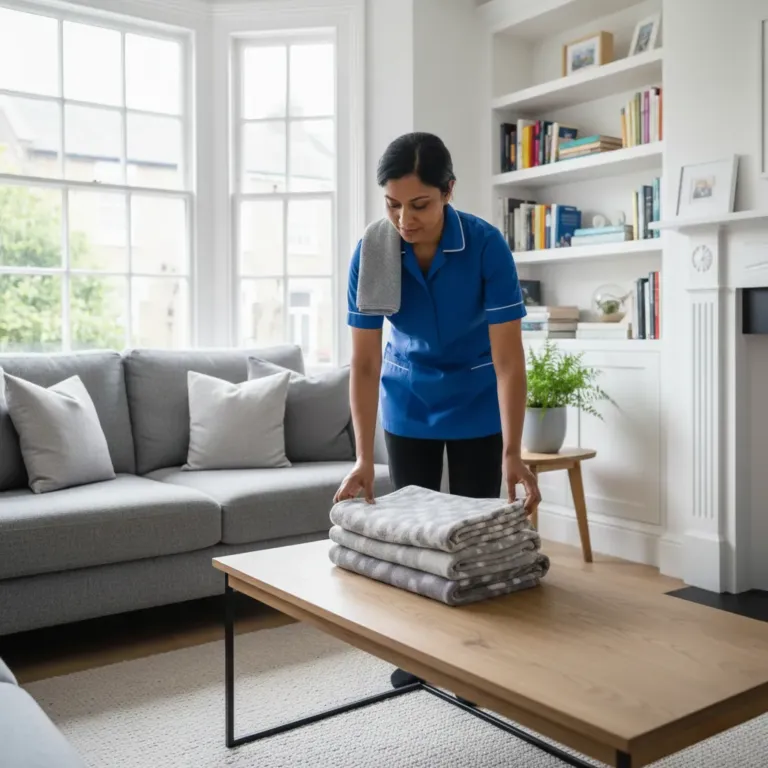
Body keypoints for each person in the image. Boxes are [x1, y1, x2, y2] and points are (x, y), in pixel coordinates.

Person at [333, 132, 541, 688]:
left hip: (476, 400)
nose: (404, 219)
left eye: (419, 204)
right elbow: (364, 364)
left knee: (470, 537)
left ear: (448, 192)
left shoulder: (485, 245)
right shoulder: (373, 250)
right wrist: (360, 457)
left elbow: (508, 361)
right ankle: (419, 655)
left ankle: (472, 661)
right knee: (411, 539)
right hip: (408, 403)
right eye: (392, 204)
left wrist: (513, 451)